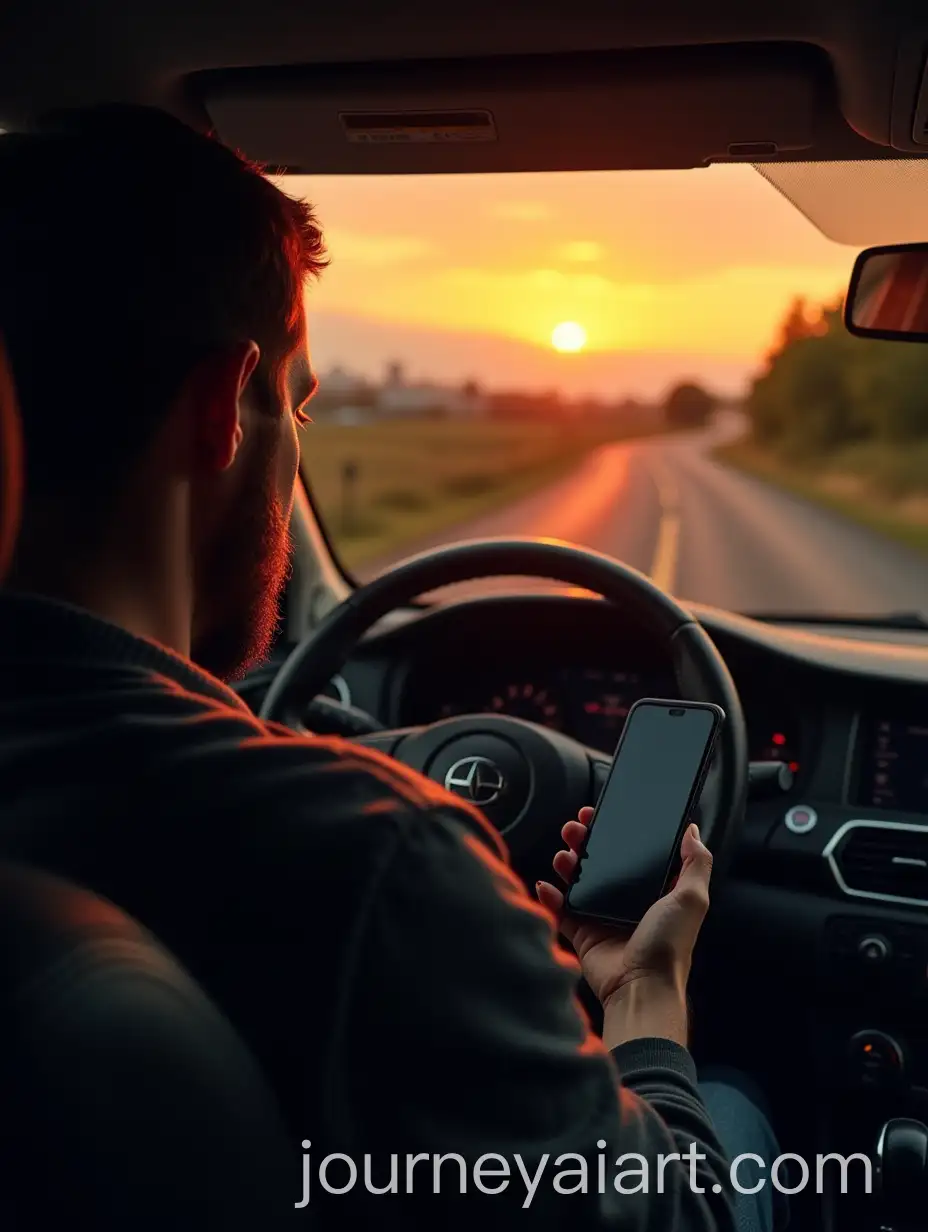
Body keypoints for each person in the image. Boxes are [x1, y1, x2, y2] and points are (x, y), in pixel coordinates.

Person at [0, 105, 782, 1230]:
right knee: (742, 1110)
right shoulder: (381, 860)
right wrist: (645, 995)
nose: (296, 437)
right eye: (299, 401)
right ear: (227, 406)